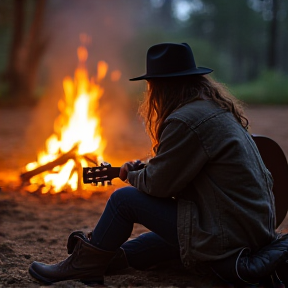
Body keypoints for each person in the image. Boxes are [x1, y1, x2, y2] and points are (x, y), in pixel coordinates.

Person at [28, 43, 288, 286]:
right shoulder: (215, 110)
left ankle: (82, 266)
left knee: (124, 201)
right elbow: (184, 170)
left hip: (225, 239)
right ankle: (96, 258)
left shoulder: (186, 120)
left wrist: (131, 176)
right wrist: (144, 170)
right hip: (248, 233)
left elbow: (159, 185)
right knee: (138, 249)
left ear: (161, 87)